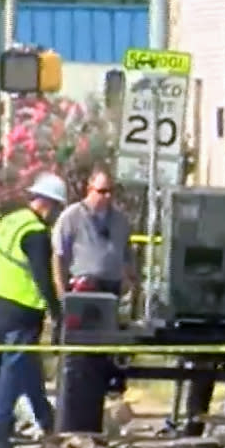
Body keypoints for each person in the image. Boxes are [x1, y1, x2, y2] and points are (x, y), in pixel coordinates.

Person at [0, 173, 67, 448]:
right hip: (19, 308)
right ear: (50, 205)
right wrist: (57, 311)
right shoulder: (36, 233)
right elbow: (42, 277)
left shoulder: (11, 220)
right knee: (13, 368)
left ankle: (49, 423)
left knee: (26, 367)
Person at [52, 170, 134, 396]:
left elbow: (127, 253)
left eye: (111, 192)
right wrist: (61, 291)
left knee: (110, 346)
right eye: (102, 191)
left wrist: (130, 279)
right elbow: (58, 255)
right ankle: (78, 393)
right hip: (84, 289)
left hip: (112, 289)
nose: (107, 197)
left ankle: (108, 388)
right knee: (82, 351)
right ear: (90, 190)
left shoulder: (120, 220)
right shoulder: (71, 217)